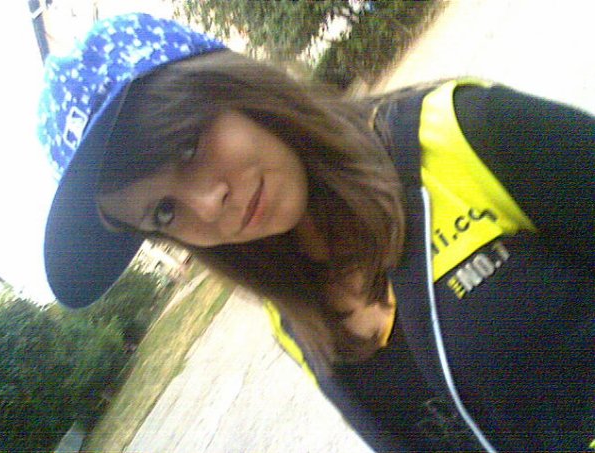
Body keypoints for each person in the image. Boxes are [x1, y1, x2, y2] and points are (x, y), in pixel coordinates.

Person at [39, 13, 593, 452]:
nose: (208, 204)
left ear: (231, 87)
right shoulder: (293, 319)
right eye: (164, 212)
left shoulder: (463, 135)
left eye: (187, 146)